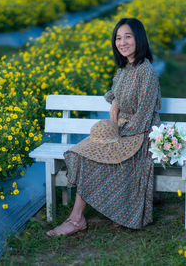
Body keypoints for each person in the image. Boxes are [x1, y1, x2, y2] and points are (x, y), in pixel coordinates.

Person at [46, 18, 161, 236]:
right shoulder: (125, 68)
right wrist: (116, 102)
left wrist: (116, 136)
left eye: (128, 36)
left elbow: (144, 116)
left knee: (96, 154)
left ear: (139, 38)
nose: (122, 42)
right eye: (118, 38)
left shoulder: (146, 71)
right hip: (122, 130)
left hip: (139, 135)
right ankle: (85, 216)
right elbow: (115, 93)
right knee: (83, 152)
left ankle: (76, 219)